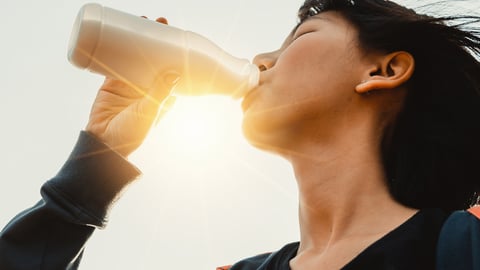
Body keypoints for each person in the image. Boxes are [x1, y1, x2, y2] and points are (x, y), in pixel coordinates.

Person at [1, 0, 479, 269]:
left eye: (301, 38)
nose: (259, 60)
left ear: (385, 69)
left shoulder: (463, 243)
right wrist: (95, 165)